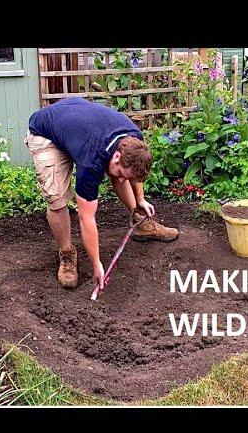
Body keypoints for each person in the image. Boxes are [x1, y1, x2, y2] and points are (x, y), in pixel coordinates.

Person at [25, 98, 179, 291]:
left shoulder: (134, 139)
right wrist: (97, 263)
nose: (123, 180)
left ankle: (140, 221)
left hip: (78, 126)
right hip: (46, 133)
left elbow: (132, 174)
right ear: (116, 156)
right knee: (57, 199)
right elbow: (86, 216)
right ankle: (66, 254)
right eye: (123, 174)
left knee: (118, 175)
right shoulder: (92, 161)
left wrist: (139, 200)